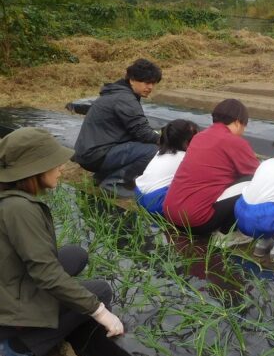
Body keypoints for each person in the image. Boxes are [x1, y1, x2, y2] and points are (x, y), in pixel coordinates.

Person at [0, 128, 124, 356]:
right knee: (99, 291)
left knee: (73, 255)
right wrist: (99, 312)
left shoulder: (9, 199)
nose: (60, 169)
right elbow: (45, 274)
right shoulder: (19, 209)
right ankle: (17, 350)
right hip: (6, 306)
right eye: (53, 164)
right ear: (33, 170)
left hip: (7, 284)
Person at [163, 99, 259, 243]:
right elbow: (259, 174)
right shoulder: (234, 141)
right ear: (238, 122)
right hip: (197, 223)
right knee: (252, 181)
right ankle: (225, 235)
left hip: (170, 214)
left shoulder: (199, 137)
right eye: (244, 126)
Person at [73, 58, 163, 196]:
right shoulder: (125, 98)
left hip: (91, 152)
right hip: (96, 154)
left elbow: (136, 129)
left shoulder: (118, 93)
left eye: (153, 83)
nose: (150, 87)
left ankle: (102, 177)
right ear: (132, 80)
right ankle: (114, 184)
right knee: (153, 150)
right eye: (147, 82)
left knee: (139, 144)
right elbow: (142, 132)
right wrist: (166, 141)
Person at [134, 119, 198, 215]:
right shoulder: (186, 158)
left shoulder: (160, 152)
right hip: (155, 202)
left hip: (138, 193)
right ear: (186, 142)